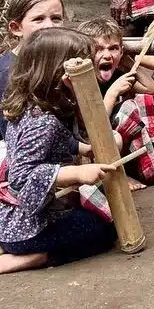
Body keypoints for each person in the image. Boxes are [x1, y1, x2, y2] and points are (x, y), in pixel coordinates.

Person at [0, 29, 118, 274]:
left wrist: (91, 148)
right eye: (81, 66)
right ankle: (28, 258)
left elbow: (63, 142)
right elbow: (20, 178)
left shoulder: (32, 106)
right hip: (23, 225)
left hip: (13, 218)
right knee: (102, 231)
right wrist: (76, 174)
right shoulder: (42, 121)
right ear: (59, 75)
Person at [76, 18, 154, 188]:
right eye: (98, 49)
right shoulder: (80, 78)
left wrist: (126, 60)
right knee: (128, 109)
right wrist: (113, 92)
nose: (107, 55)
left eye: (113, 49)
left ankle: (150, 170)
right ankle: (117, 180)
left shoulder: (116, 71)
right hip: (86, 141)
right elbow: (90, 126)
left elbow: (150, 89)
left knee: (144, 101)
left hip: (112, 136)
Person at [0, 0, 65, 141]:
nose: (49, 26)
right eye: (38, 19)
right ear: (16, 28)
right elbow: (11, 136)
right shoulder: (6, 73)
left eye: (56, 18)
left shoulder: (61, 63)